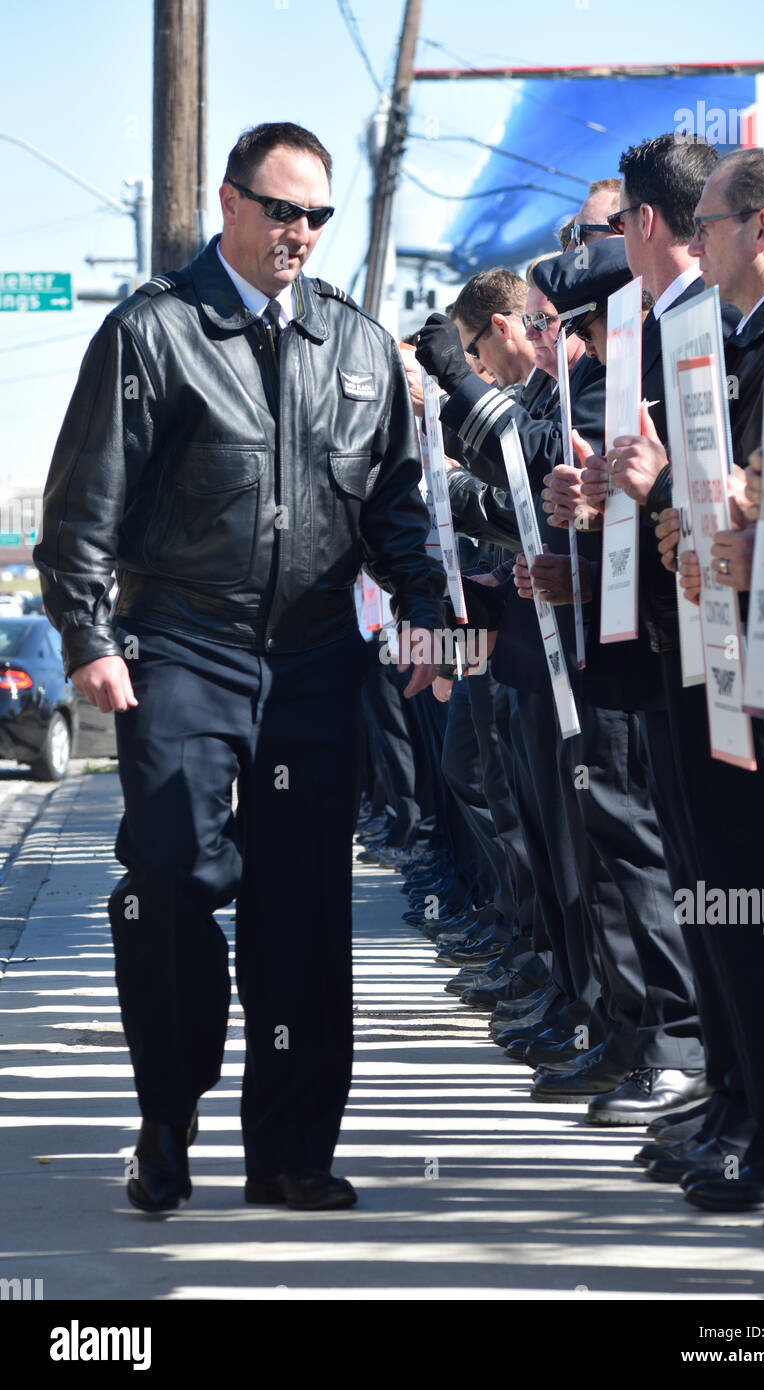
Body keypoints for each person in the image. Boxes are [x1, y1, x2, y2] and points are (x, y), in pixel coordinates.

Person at [34, 120, 445, 1215]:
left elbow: (399, 512)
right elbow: (82, 508)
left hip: (313, 663)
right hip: (182, 647)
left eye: (318, 215)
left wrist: (432, 617)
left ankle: (289, 1151)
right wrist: (88, 641)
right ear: (228, 202)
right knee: (169, 876)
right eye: (281, 210)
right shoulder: (152, 334)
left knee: (303, 908)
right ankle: (167, 1113)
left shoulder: (360, 348)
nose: (299, 233)